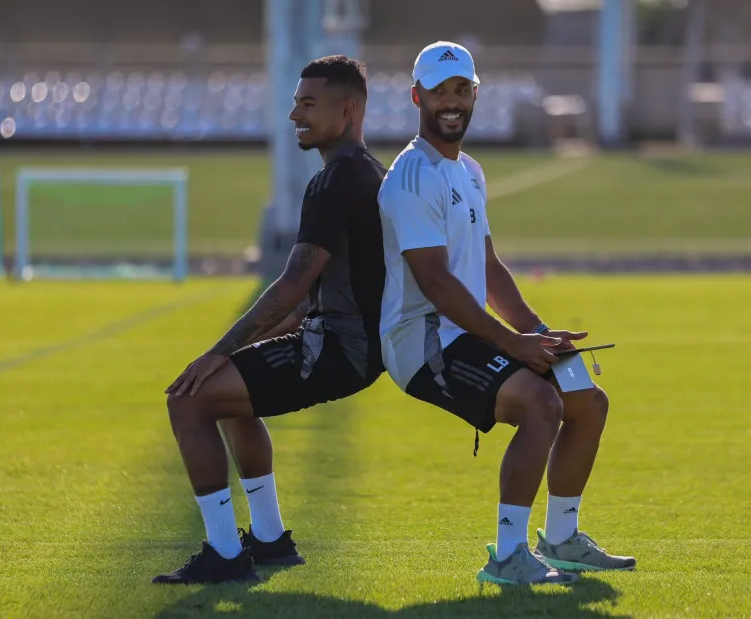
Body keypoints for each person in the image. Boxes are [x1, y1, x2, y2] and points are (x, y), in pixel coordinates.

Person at [377, 41, 636, 586]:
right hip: (422, 341)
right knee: (540, 403)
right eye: (440, 91)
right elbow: (436, 283)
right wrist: (512, 343)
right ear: (417, 96)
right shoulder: (411, 175)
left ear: (475, 94)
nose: (452, 102)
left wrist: (537, 333)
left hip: (469, 332)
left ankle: (561, 539)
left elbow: (489, 268)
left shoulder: (469, 170)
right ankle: (508, 556)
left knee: (588, 400)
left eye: (461, 90)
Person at [153, 55, 387, 585]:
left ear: (347, 110)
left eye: (308, 104)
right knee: (232, 398)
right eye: (296, 102)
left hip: (340, 349)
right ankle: (269, 539)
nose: (294, 115)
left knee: (190, 400)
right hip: (354, 346)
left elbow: (294, 283)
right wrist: (239, 351)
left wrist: (218, 351)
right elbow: (339, 285)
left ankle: (224, 554)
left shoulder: (336, 180)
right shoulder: (371, 171)